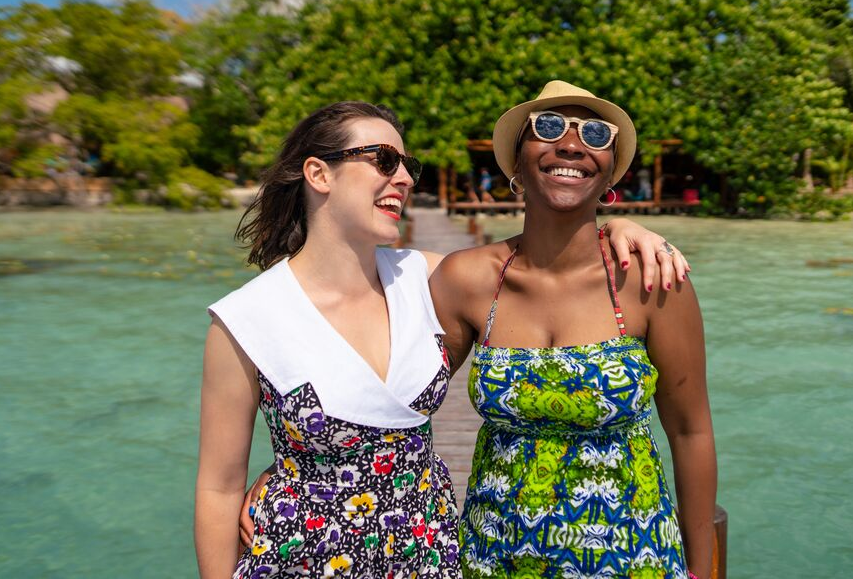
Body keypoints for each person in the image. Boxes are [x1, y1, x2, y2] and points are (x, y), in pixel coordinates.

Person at [200, 101, 688, 579]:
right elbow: (219, 489)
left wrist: (620, 228)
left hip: (427, 556)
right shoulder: (247, 318)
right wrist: (295, 467)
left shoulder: (426, 278)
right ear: (318, 174)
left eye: (407, 166)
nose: (406, 179)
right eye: (384, 160)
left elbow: (543, 264)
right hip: (301, 559)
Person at [431, 81, 717, 579]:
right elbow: (405, 404)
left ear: (609, 171)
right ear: (516, 163)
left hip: (632, 557)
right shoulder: (467, 279)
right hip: (494, 557)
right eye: (547, 128)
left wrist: (700, 570)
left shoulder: (651, 280)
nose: (570, 144)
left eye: (595, 134)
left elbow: (691, 432)